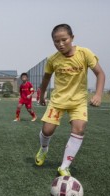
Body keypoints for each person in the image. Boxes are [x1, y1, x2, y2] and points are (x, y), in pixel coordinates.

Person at [35, 24, 105, 176]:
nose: (60, 44)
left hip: (78, 102)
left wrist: (98, 94)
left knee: (79, 128)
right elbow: (46, 77)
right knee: (47, 131)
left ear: (72, 38)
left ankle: (64, 166)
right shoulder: (53, 59)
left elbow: (100, 74)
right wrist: (41, 96)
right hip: (58, 101)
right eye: (56, 41)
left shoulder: (84, 53)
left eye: (64, 40)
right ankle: (44, 149)